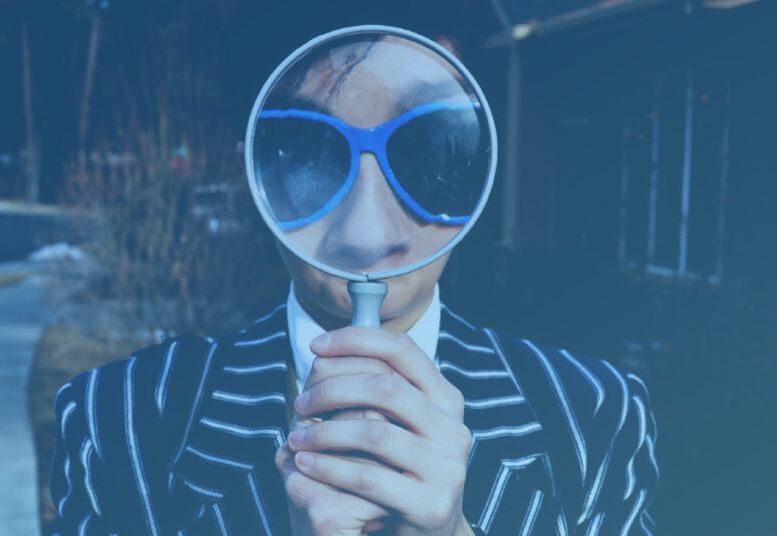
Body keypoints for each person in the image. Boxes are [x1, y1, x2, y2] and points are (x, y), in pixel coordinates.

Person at [48, 15, 659, 536]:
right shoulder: (118, 420)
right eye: (309, 154)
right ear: (254, 179)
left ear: (478, 160)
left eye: (425, 147)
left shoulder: (594, 417)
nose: (366, 236)